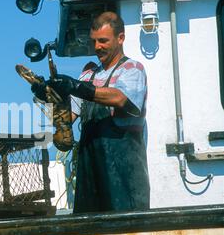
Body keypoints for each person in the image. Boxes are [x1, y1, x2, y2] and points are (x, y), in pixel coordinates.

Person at [39, 12, 150, 213]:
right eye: (94, 41)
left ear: (121, 38)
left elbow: (120, 98)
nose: (97, 47)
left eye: (103, 41)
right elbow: (67, 118)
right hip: (90, 178)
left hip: (124, 181)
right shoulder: (88, 75)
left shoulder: (132, 69)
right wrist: (48, 96)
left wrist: (76, 87)